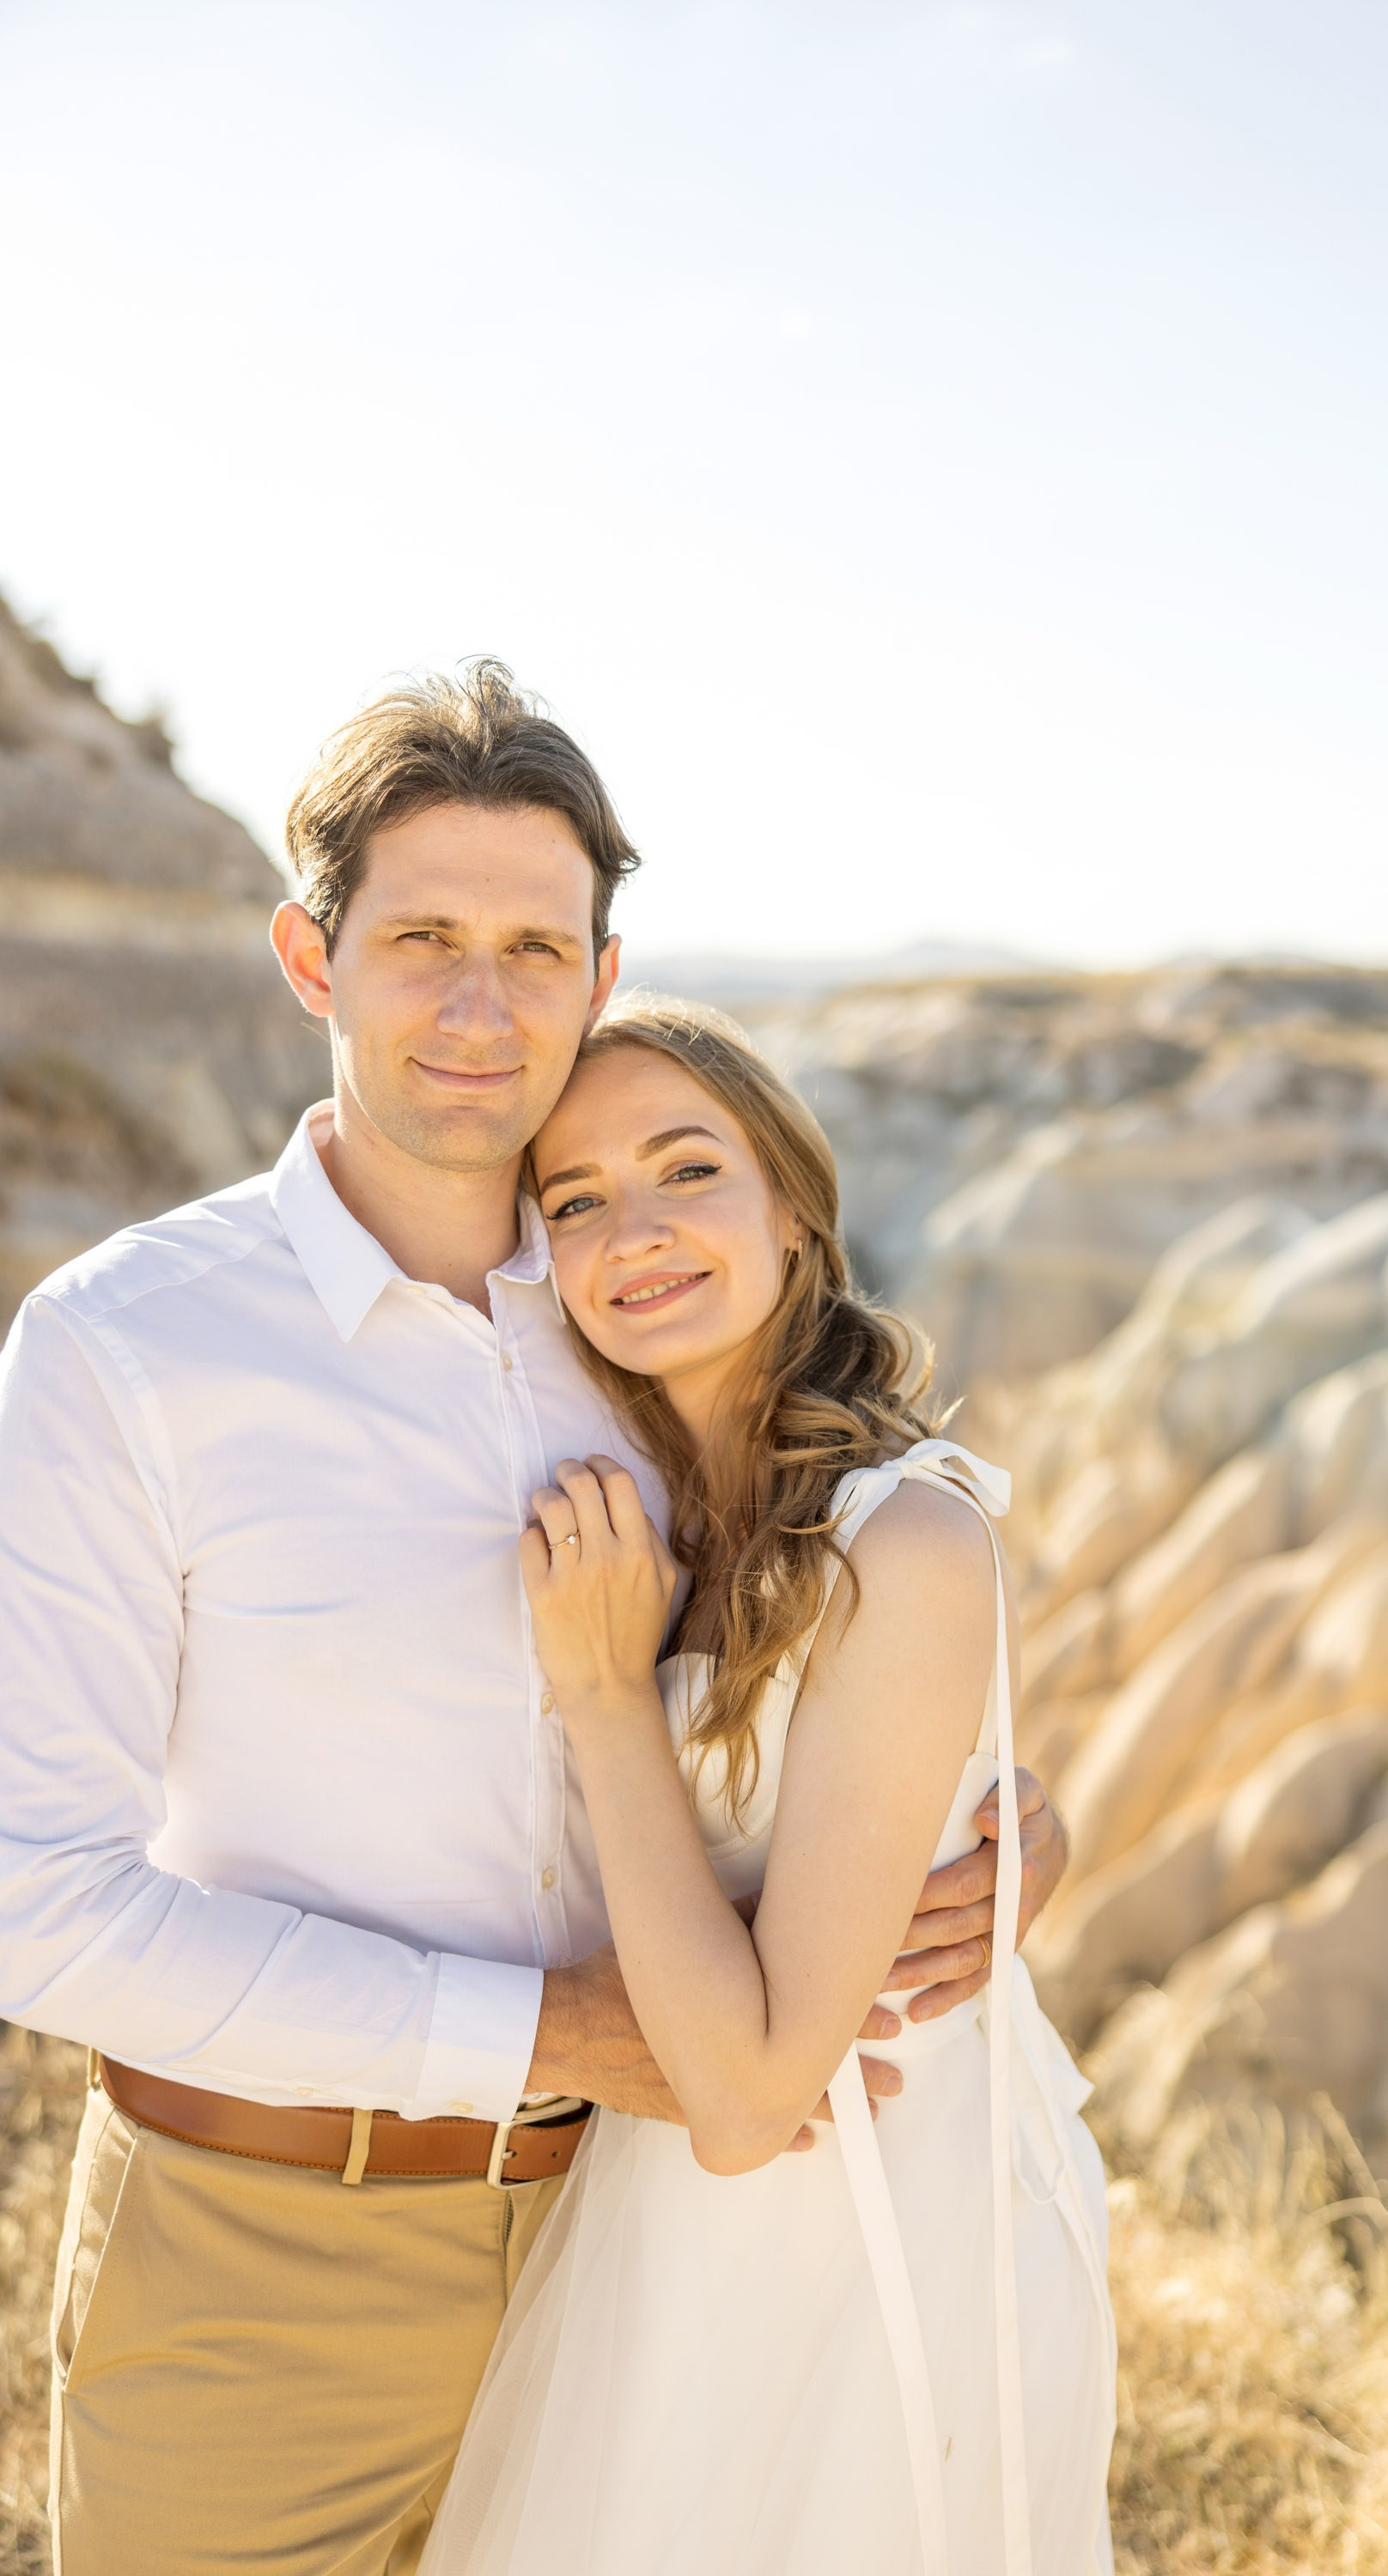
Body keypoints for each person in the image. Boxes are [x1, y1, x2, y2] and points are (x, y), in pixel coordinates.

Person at [0, 663, 1072, 2576]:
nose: (482, 1008)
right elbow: (35, 1903)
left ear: (600, 969)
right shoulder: (123, 1349)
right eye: (421, 939)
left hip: (662, 2253)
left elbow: (833, 1625)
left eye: (533, 946)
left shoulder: (651, 1315)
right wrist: (541, 2033)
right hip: (269, 2265)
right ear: (308, 960)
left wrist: (980, 1838)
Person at [421, 997, 1116, 2576]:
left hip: (874, 2229)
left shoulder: (906, 1538)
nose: (635, 1232)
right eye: (578, 1200)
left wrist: (604, 1692)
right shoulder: (645, 1510)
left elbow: (749, 2104)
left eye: (688, 1171)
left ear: (792, 1209)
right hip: (663, 2221)